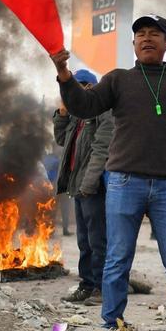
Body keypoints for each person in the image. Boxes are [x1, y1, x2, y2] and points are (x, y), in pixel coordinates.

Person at [51, 14, 166, 331]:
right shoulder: (117, 80)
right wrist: (64, 74)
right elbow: (83, 105)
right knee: (117, 257)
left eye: (154, 34)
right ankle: (112, 326)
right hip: (124, 181)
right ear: (133, 44)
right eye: (140, 34)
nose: (146, 38)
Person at [53, 68, 114, 306]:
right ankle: (87, 284)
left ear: (89, 87)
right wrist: (62, 114)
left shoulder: (103, 111)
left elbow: (102, 149)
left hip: (94, 186)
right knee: (83, 240)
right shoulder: (77, 116)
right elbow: (61, 140)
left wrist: (89, 183)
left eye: (78, 86)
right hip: (77, 186)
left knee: (98, 239)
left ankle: (101, 287)